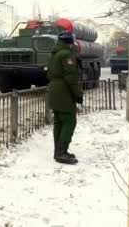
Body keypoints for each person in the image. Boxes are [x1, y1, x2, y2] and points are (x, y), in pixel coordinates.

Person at [47, 31, 83, 165]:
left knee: (59, 122)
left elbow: (49, 73)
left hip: (54, 89)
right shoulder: (66, 54)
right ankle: (61, 153)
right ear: (70, 41)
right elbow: (71, 77)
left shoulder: (54, 53)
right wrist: (78, 94)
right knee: (69, 121)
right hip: (64, 91)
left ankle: (58, 151)